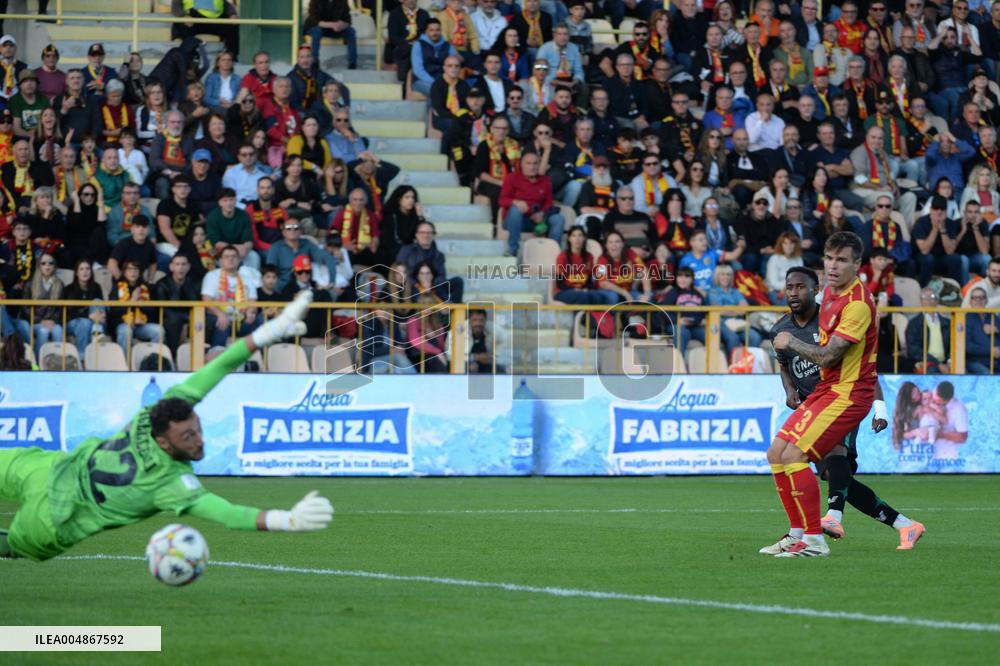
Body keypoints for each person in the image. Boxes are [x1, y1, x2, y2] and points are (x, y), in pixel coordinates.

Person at [0, 290, 334, 561]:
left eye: (197, 429)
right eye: (188, 437)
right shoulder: (170, 482)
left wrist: (269, 332)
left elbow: (220, 367)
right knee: (18, 540)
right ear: (163, 442)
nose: (199, 441)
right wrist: (287, 520)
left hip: (53, 491)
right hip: (53, 496)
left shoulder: (162, 416)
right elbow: (230, 515)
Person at [769, 265, 924, 551]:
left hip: (843, 400)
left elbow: (863, 369)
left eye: (800, 287)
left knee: (836, 458)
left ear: (815, 290)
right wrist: (789, 390)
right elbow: (783, 365)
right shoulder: (779, 329)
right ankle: (904, 525)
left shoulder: (831, 321)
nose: (794, 292)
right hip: (813, 408)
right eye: (790, 287)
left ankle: (830, 519)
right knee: (832, 474)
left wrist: (880, 408)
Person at [767, 232, 882, 557]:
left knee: (795, 457)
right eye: (829, 259)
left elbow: (829, 355)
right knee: (776, 453)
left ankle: (815, 540)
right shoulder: (831, 292)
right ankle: (796, 534)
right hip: (827, 390)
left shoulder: (858, 303)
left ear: (857, 264)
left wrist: (791, 343)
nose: (833, 266)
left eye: (842, 260)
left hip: (849, 393)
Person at [499, 152, 565, 256]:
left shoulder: (545, 180)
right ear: (521, 164)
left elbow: (548, 203)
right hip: (515, 221)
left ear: (539, 165)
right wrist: (516, 202)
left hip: (537, 221)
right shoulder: (511, 178)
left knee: (558, 219)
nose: (532, 167)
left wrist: (542, 214)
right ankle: (512, 249)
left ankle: (554, 253)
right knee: (515, 210)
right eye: (528, 163)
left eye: (535, 163)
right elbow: (502, 200)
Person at [304, 0, 358, 70]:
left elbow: (348, 20)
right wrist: (332, 25)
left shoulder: (342, 1)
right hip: (316, 26)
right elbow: (313, 20)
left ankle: (352, 63)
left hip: (334, 29)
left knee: (351, 31)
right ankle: (314, 62)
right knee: (317, 31)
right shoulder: (315, 1)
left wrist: (342, 25)